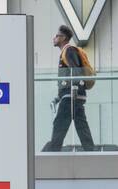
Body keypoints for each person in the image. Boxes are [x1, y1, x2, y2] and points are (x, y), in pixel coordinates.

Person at [42, 24, 95, 152]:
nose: (54, 38)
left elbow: (76, 70)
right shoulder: (66, 52)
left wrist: (74, 90)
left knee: (60, 122)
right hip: (73, 95)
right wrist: (58, 97)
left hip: (72, 95)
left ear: (64, 38)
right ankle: (90, 149)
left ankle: (53, 151)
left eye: (57, 36)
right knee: (81, 124)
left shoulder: (69, 50)